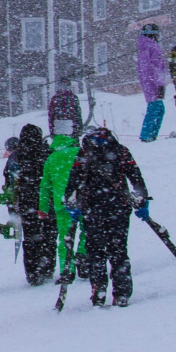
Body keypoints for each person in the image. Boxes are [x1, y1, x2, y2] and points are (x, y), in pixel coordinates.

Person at [65, 126, 149, 308]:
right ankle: (122, 292)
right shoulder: (121, 151)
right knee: (119, 250)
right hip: (118, 208)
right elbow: (136, 178)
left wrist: (72, 206)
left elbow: (72, 183)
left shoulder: (84, 153)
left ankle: (98, 287)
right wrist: (142, 202)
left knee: (95, 251)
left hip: (92, 209)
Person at [36, 113, 84, 284]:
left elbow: (45, 186)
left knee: (64, 238)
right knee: (87, 232)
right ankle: (83, 256)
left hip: (61, 204)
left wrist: (43, 208)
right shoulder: (80, 153)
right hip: (82, 200)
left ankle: (67, 270)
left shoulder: (51, 159)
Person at [12, 123, 55, 284]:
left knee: (30, 238)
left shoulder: (17, 156)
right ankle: (48, 267)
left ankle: (32, 273)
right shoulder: (47, 153)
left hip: (26, 201)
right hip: (46, 200)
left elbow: (9, 179)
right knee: (49, 235)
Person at [136, 24, 169, 141]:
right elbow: (157, 67)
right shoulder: (153, 47)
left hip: (147, 83)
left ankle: (149, 135)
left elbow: (142, 69)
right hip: (154, 84)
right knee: (157, 109)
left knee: (156, 107)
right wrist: (160, 84)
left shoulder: (142, 48)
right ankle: (148, 135)